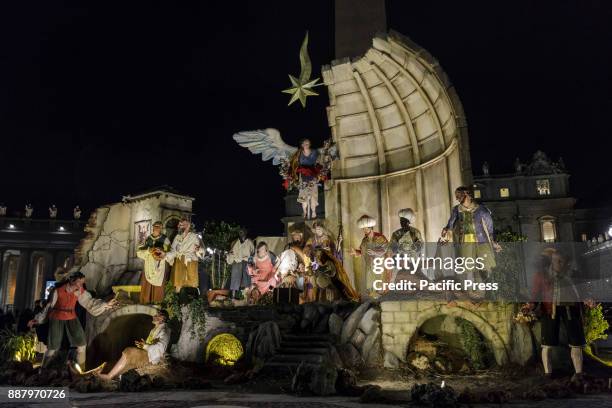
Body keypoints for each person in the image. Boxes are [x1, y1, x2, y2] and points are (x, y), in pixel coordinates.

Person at [524, 249, 591, 380]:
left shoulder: (574, 275)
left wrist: (588, 300)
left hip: (571, 309)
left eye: (562, 261)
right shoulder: (542, 275)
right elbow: (535, 294)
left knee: (576, 342)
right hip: (550, 310)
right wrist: (530, 305)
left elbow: (582, 292)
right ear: (552, 261)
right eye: (556, 261)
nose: (560, 263)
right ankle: (548, 373)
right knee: (547, 343)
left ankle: (578, 373)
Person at [28, 271, 117, 369]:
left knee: (82, 344)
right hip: (57, 317)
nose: (80, 285)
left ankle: (82, 370)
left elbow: (89, 302)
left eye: (82, 283)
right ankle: (43, 369)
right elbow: (48, 307)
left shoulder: (79, 291)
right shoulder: (58, 291)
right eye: (79, 282)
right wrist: (37, 319)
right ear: (71, 280)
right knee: (53, 347)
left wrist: (105, 305)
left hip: (71, 317)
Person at [441, 186, 501, 285]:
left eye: (459, 195)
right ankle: (471, 289)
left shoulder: (481, 209)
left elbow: (490, 226)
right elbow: (451, 223)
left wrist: (494, 241)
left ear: (466, 194)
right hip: (465, 242)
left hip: (480, 241)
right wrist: (446, 229)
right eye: (456, 196)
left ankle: (484, 285)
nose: (457, 198)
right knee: (468, 269)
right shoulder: (457, 210)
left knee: (484, 267)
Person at [97, 309, 170, 381]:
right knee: (122, 359)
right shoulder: (155, 329)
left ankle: (109, 376)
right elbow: (151, 343)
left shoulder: (164, 330)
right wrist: (143, 345)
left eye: (157, 315)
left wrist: (145, 346)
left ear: (162, 318)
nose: (154, 316)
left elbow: (161, 347)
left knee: (129, 351)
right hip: (148, 353)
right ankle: (113, 376)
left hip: (152, 358)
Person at [350, 215, 390, 294]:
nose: (364, 230)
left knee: (379, 285)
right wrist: (356, 252)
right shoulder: (364, 240)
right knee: (369, 286)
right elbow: (363, 252)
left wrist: (375, 252)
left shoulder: (380, 237)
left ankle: (380, 300)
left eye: (366, 228)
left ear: (371, 228)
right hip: (368, 266)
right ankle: (372, 301)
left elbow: (387, 249)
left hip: (379, 265)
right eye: (363, 229)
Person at [164, 218, 203, 293]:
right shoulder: (177, 237)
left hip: (191, 261)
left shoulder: (194, 236)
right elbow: (173, 250)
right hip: (179, 261)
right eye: (180, 225)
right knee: (178, 282)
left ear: (188, 226)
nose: (180, 226)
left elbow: (201, 250)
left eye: (182, 225)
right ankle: (177, 301)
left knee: (191, 282)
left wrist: (198, 249)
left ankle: (190, 300)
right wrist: (165, 255)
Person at [137, 221, 171, 304]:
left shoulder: (165, 239)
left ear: (161, 228)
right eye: (155, 226)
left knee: (159, 283)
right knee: (146, 283)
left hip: (160, 264)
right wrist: (149, 250)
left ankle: (157, 302)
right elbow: (139, 251)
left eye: (159, 227)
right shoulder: (147, 239)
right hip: (148, 264)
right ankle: (146, 301)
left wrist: (162, 251)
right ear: (153, 227)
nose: (157, 228)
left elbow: (169, 251)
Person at [289, 138, 320, 219]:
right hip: (302, 175)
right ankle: (305, 211)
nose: (307, 145)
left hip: (313, 174)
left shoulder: (315, 152)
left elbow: (320, 161)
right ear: (302, 145)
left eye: (308, 143)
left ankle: (313, 211)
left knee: (313, 194)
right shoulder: (298, 153)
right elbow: (294, 163)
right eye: (305, 143)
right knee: (303, 194)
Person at [389, 208, 423, 281]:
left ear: (408, 222)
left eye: (403, 221)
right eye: (401, 221)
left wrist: (414, 248)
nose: (401, 223)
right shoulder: (396, 234)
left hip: (414, 262)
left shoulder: (415, 232)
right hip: (400, 262)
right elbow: (392, 249)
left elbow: (420, 247)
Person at [226, 229, 254, 299]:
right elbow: (231, 253)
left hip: (246, 262)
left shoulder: (249, 242)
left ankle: (247, 297)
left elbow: (252, 254)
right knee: (234, 280)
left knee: (247, 280)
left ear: (246, 232)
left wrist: (250, 264)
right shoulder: (235, 242)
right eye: (240, 232)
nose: (241, 233)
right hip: (237, 262)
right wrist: (230, 258)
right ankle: (233, 297)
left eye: (242, 231)